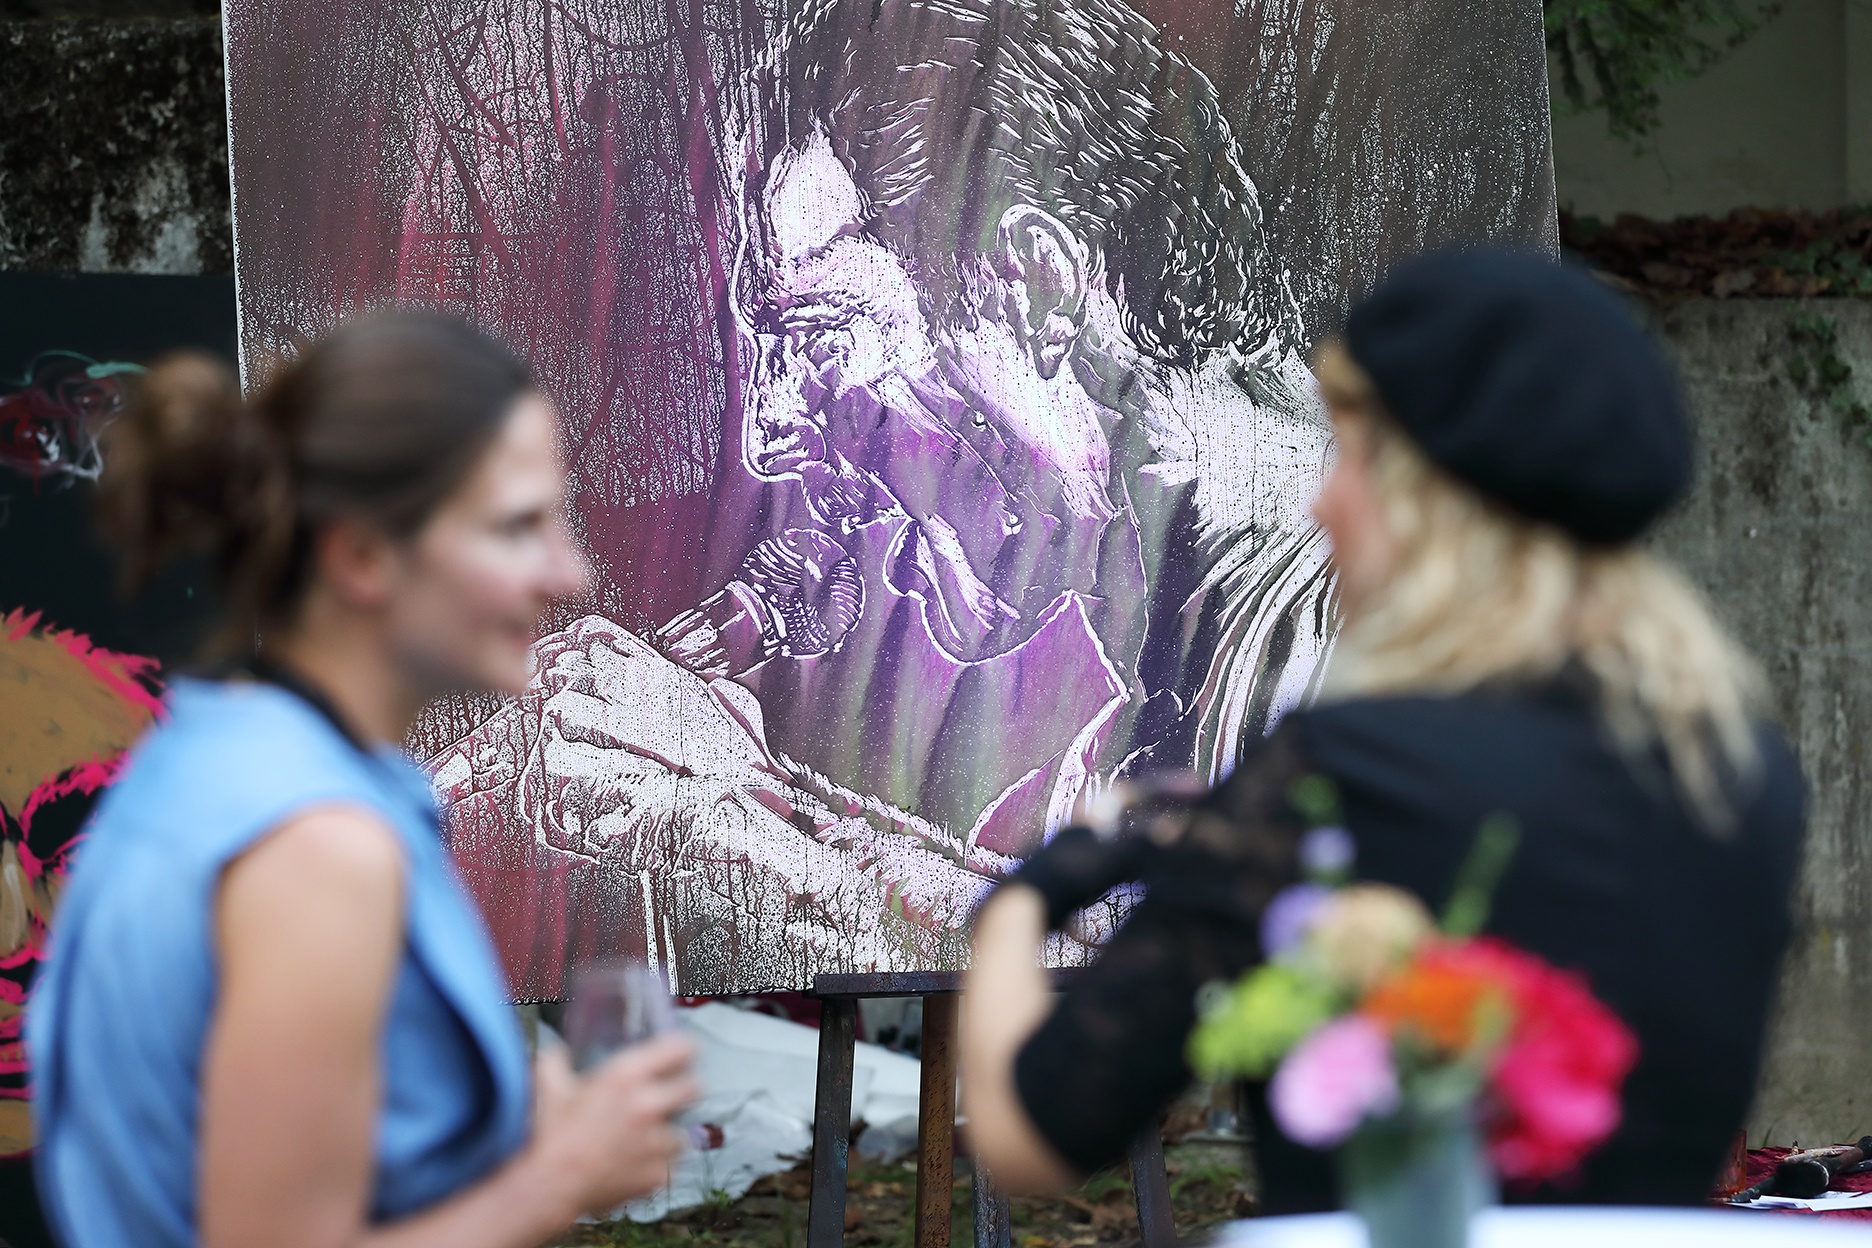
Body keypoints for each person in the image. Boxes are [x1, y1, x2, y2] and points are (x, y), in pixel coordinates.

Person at [430, 0, 1334, 998]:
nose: (771, 438)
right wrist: (730, 794)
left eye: (820, 338)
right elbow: (1097, 965)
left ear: (1036, 286)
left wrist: (725, 817)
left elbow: (1212, 1001)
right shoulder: (1190, 675)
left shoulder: (1368, 615)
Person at [960, 247, 1806, 1207]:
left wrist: (1030, 896)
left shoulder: (1341, 779)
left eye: (1356, 458)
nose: (1324, 502)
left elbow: (1028, 1140)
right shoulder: (1741, 778)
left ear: (1436, 497)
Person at [27, 312, 699, 1248]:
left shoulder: (220, 756)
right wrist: (557, 1178)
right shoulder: (317, 847)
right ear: (360, 554)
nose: (571, 574)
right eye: (518, 526)